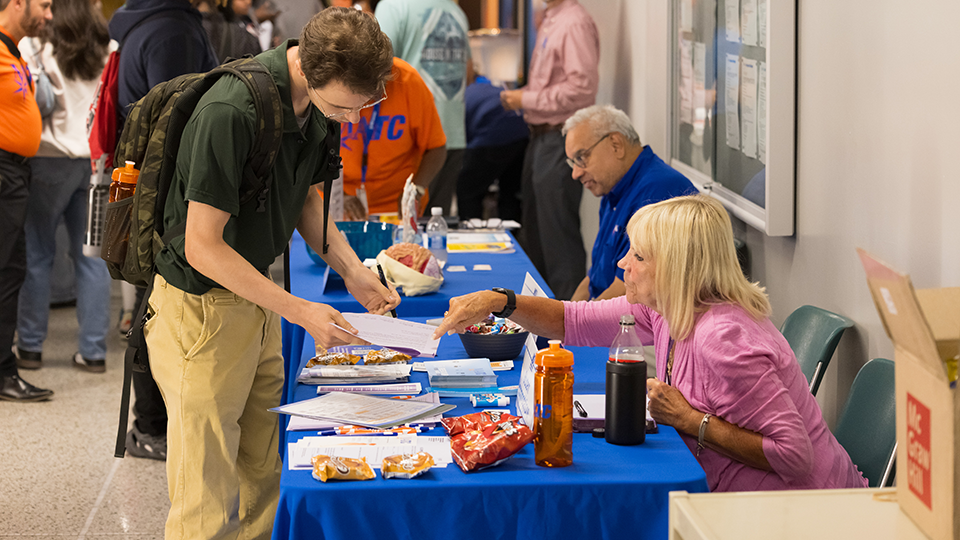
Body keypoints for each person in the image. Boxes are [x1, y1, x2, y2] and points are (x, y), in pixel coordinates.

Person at [144, 8, 398, 537]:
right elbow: (202, 246)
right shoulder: (231, 110)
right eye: (345, 107)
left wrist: (352, 270)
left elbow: (306, 197)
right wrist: (301, 310)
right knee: (206, 499)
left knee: (266, 471)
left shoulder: (317, 107)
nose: (351, 120)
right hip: (202, 313)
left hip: (256, 302)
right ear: (307, 68)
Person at [433, 195, 868, 493]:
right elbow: (573, 319)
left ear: (676, 268)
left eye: (639, 257)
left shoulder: (725, 340)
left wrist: (689, 419)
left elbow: (793, 456)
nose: (623, 264)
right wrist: (499, 301)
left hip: (800, 507)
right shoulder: (668, 308)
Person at [109, 0, 219, 460]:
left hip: (154, 191)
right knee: (157, 309)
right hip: (166, 195)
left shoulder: (151, 21)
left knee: (151, 304)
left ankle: (151, 424)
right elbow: (177, 118)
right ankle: (151, 426)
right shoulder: (173, 30)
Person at [15, 0, 113, 373]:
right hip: (94, 162)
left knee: (38, 255)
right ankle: (92, 352)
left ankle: (30, 347)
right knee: (92, 259)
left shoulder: (35, 45)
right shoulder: (108, 47)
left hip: (47, 160)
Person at [500, 0, 599, 300]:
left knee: (558, 238)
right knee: (536, 234)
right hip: (541, 137)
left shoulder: (573, 22)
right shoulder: (550, 19)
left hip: (561, 138)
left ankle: (571, 324)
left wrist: (526, 99)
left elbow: (582, 89)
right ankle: (541, 318)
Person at [564, 105, 696, 302]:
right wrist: (564, 315)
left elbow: (627, 292)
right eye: (572, 162)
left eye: (581, 158)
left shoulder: (658, 193)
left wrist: (569, 324)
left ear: (616, 144)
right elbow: (594, 277)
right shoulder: (612, 187)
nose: (576, 173)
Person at [0, 0, 54, 402]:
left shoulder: (14, 50)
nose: (49, 15)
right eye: (45, 5)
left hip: (17, 172)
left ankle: (4, 370)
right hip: (3, 171)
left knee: (11, 272)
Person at [375, 0, 470, 216]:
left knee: (404, 230)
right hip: (453, 132)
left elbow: (376, 64)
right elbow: (469, 72)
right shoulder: (456, 12)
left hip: (412, 140)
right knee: (435, 229)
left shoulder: (394, 6)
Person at [338, 56, 446, 220]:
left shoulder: (409, 81)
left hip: (396, 208)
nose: (375, 95)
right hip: (339, 203)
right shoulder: (332, 83)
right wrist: (341, 195)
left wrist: (416, 190)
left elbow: (436, 147)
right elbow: (310, 157)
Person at [455, 72, 528, 222]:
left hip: (490, 137)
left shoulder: (462, 97)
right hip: (521, 135)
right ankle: (511, 236)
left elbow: (461, 135)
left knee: (467, 191)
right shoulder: (487, 88)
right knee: (510, 192)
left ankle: (471, 234)